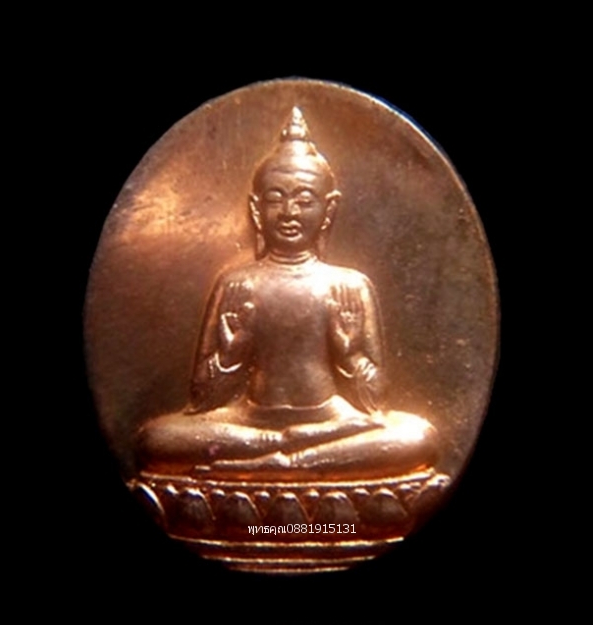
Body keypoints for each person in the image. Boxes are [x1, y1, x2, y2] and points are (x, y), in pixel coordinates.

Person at [137, 108, 439, 480]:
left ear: (328, 209)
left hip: (332, 421)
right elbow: (202, 402)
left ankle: (287, 459)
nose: (289, 212)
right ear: (256, 208)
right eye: (275, 198)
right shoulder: (236, 283)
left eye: (305, 200)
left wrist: (349, 355)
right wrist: (230, 356)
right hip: (249, 423)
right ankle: (288, 452)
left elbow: (374, 404)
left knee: (416, 439)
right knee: (155, 440)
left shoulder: (349, 285)